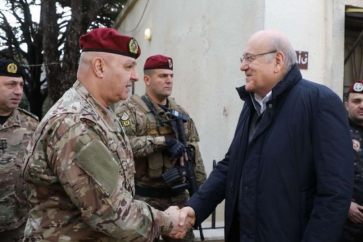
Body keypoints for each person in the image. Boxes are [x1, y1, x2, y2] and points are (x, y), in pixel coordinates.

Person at [179, 29, 354, 242]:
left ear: (278, 61)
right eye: (243, 58)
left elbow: (335, 193)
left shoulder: (319, 102)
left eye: (250, 58)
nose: (243, 66)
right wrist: (195, 208)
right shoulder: (251, 106)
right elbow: (230, 166)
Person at [22, 28, 193, 242]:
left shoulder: (102, 113)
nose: (136, 76)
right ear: (99, 67)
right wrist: (168, 221)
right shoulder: (75, 123)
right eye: (128, 66)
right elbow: (113, 214)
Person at [115, 55, 207, 242]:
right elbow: (122, 146)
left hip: (178, 199)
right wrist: (163, 142)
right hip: (144, 202)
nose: (169, 80)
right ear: (147, 80)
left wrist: (201, 197)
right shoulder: (129, 112)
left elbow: (194, 155)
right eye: (163, 76)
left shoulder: (181, 114)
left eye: (171, 76)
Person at [0, 59, 39, 242]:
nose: (18, 91)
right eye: (10, 84)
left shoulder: (32, 126)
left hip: (18, 229)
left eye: (21, 85)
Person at [341, 81, 363, 241]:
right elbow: (323, 174)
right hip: (348, 220)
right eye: (357, 101)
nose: (362, 106)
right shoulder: (336, 133)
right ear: (346, 105)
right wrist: (345, 204)